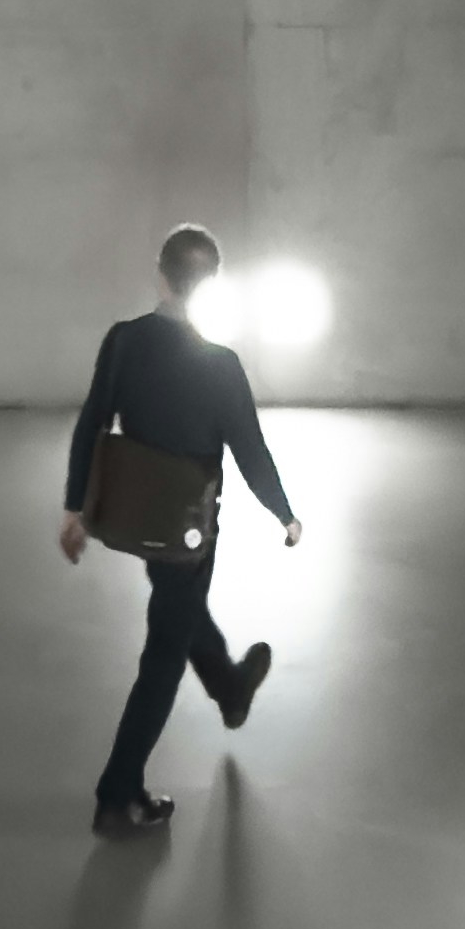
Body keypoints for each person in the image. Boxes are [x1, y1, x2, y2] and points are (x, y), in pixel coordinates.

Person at [61, 223, 301, 837]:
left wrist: (75, 510)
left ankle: (229, 686)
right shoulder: (221, 365)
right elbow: (250, 450)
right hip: (188, 530)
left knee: (178, 609)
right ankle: (118, 795)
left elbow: (92, 423)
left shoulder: (124, 341)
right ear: (212, 285)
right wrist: (284, 513)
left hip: (131, 515)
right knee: (164, 651)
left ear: (161, 276)